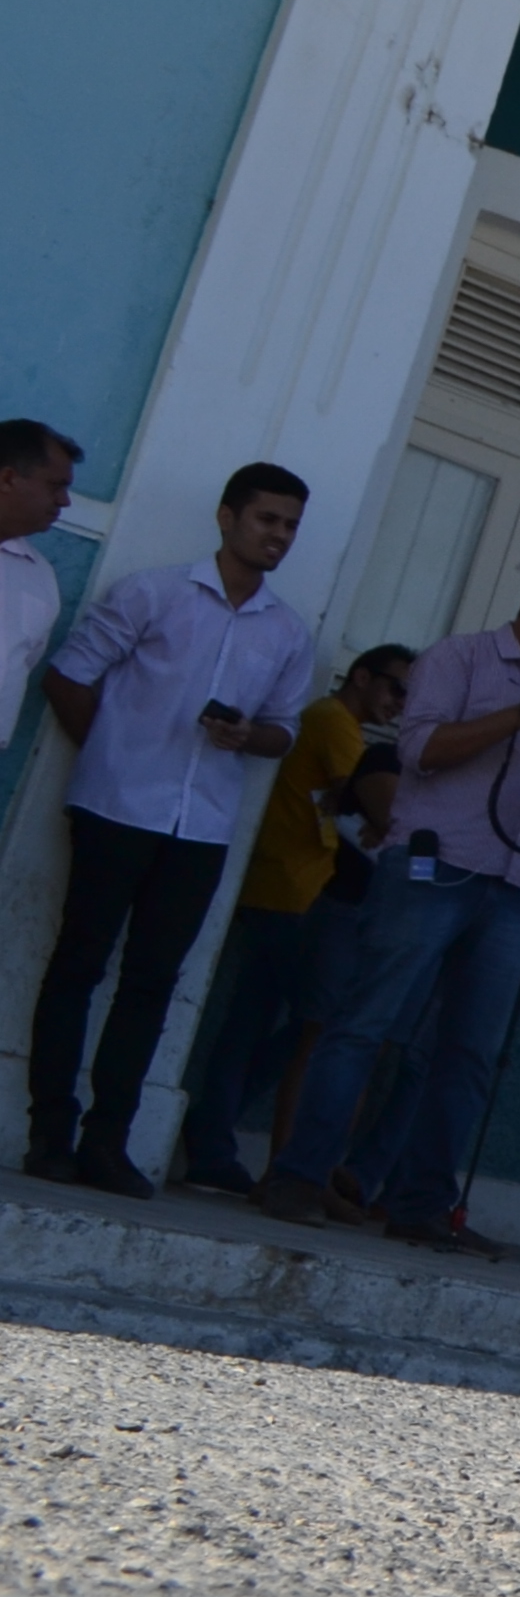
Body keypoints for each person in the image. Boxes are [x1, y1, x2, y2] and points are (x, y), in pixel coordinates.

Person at [262, 553, 520, 1251]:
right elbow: (419, 750)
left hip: (515, 884)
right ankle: (298, 1176)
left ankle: (421, 1205)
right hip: (434, 866)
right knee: (365, 1022)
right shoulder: (460, 659)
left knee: (470, 1051)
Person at [26, 464, 317, 1196]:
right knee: (77, 967)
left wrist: (248, 737)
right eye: (266, 520)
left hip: (202, 828)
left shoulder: (286, 631)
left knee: (153, 985)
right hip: (115, 809)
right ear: (227, 517)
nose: (278, 535)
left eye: (290, 525)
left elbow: (284, 732)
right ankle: (49, 1135)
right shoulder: (153, 592)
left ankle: (107, 1142)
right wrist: (109, 758)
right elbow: (67, 674)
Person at [165, 645, 412, 1200]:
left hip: (294, 882)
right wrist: (375, 816)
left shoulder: (332, 722)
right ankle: (212, 1138)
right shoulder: (333, 720)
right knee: (308, 1025)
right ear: (364, 676)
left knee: (273, 1019)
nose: (402, 704)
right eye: (397, 689)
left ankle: (211, 1132)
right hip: (290, 885)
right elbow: (371, 801)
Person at [0, 421, 81, 725]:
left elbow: (22, 662)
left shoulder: (39, 578)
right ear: (8, 479)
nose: (64, 501)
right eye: (55, 485)